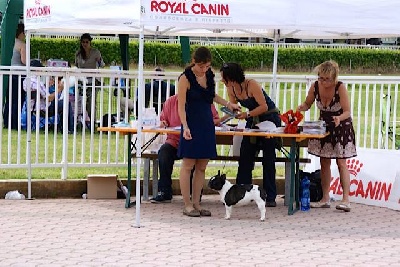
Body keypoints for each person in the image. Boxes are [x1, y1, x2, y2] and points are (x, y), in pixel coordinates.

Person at [177, 47, 240, 217]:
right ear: (194, 62)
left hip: (206, 122)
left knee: (202, 166)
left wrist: (229, 104)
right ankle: (187, 204)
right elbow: (180, 105)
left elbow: (212, 96)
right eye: (201, 66)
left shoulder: (209, 75)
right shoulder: (185, 78)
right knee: (188, 164)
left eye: (207, 66)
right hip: (191, 122)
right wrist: (185, 126)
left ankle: (197, 203)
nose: (204, 69)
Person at [297, 60, 356, 212]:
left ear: (334, 78)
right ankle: (325, 197)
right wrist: (301, 108)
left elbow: (347, 111)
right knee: (324, 162)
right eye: (320, 78)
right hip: (324, 126)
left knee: (341, 162)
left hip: (341, 125)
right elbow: (307, 103)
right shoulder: (315, 86)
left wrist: (339, 118)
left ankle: (346, 199)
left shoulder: (340, 87)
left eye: (327, 79)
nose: (323, 81)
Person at [219, 62, 282, 207]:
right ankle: (240, 194)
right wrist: (228, 116)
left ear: (232, 77)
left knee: (268, 157)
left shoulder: (251, 84)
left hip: (269, 119)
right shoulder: (231, 89)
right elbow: (235, 108)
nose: (222, 81)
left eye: (224, 78)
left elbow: (264, 106)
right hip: (252, 120)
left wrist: (246, 114)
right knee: (245, 155)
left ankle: (270, 196)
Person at [150, 94, 227, 203]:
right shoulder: (170, 102)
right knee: (164, 152)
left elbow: (215, 120)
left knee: (194, 159)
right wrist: (163, 123)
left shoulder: (204, 101)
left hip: (195, 140)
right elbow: (163, 120)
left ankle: (195, 194)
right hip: (175, 141)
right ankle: (164, 191)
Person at [23, 60, 74, 133]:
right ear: (36, 69)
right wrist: (58, 90)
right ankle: (68, 129)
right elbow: (49, 99)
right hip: (44, 109)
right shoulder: (38, 83)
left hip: (32, 108)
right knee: (66, 103)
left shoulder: (25, 81)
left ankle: (62, 127)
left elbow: (38, 93)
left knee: (61, 102)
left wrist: (46, 86)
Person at [75, 33, 105, 121]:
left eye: (86, 42)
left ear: (90, 42)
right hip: (81, 80)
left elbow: (102, 65)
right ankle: (80, 120)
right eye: (83, 42)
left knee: (91, 102)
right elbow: (76, 66)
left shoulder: (96, 52)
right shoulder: (78, 53)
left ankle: (92, 121)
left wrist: (99, 61)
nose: (85, 44)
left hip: (93, 80)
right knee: (80, 101)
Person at [3, 23, 26, 129]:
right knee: (18, 100)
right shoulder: (22, 44)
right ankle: (15, 123)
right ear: (21, 33)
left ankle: (6, 122)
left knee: (9, 99)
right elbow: (24, 61)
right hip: (19, 75)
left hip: (9, 74)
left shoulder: (9, 43)